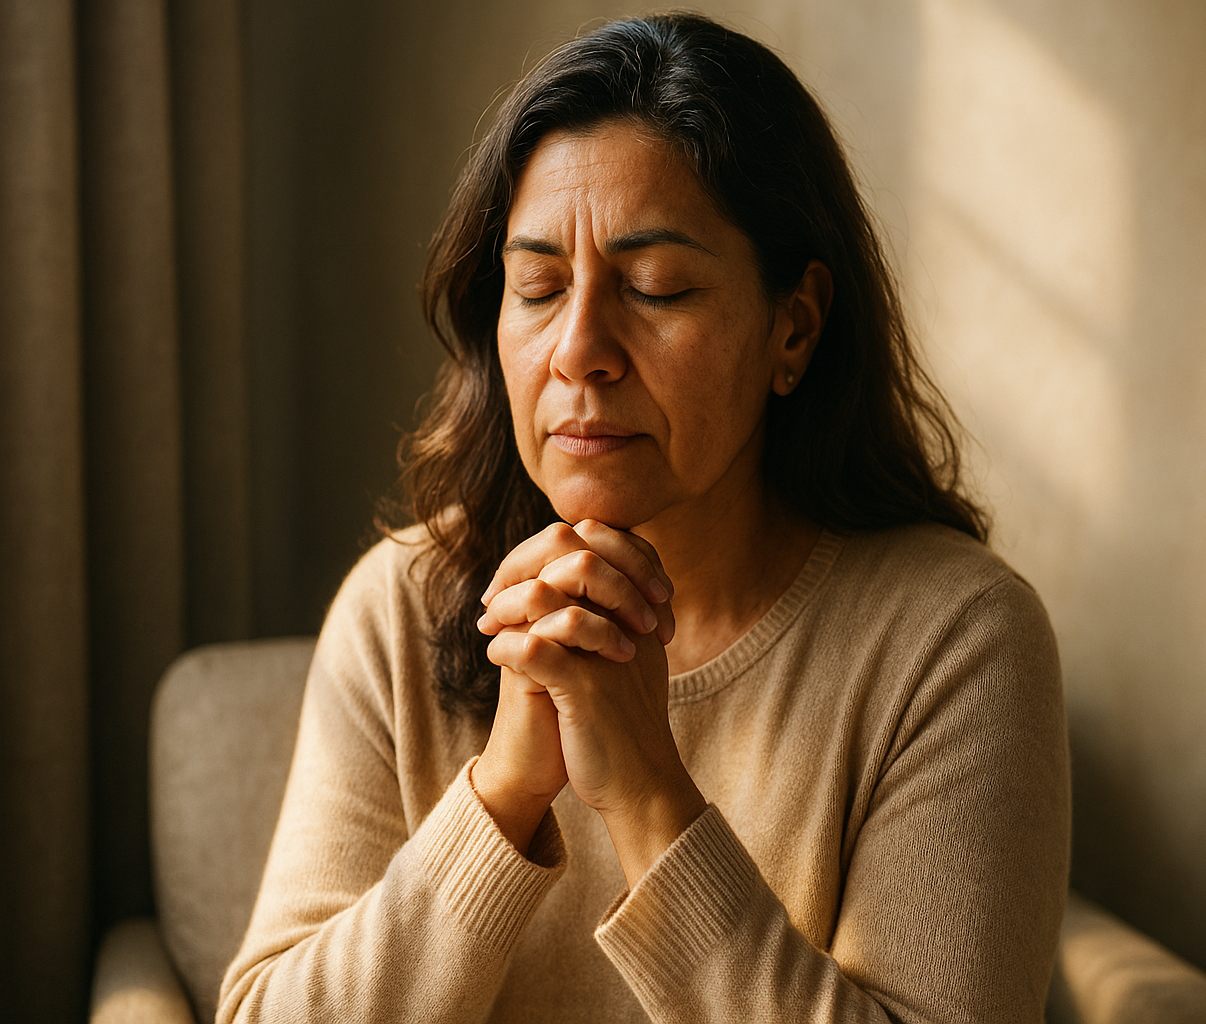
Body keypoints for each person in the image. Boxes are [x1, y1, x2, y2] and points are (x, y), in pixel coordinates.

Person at [218, 12, 1069, 1024]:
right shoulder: (402, 606)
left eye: (655, 287)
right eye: (537, 286)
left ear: (792, 327)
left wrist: (651, 798)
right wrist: (502, 791)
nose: (580, 350)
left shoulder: (957, 640)